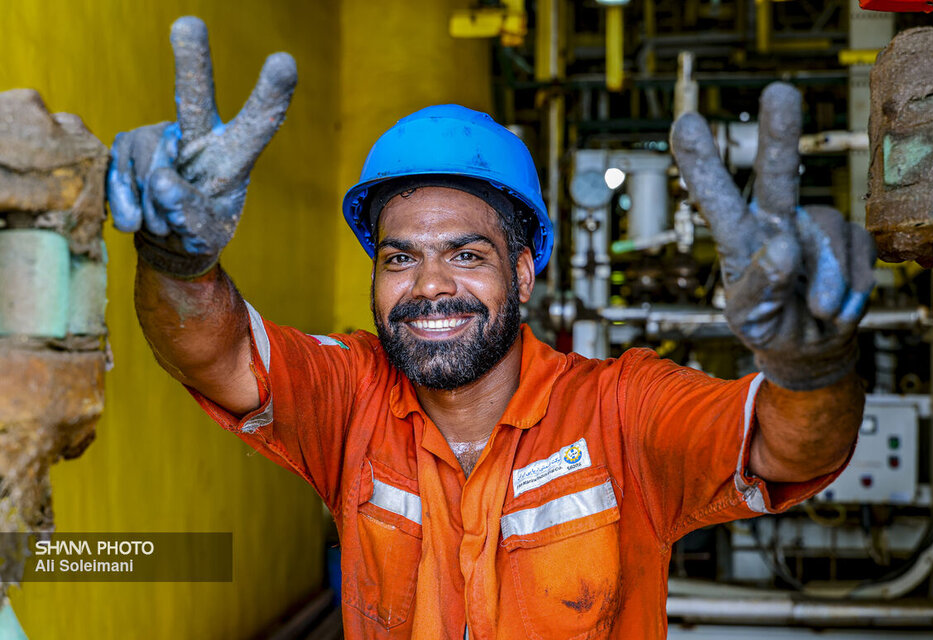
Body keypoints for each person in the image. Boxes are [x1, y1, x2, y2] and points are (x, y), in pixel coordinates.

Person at [109, 16, 876, 640]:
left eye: (466, 254)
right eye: (399, 257)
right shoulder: (351, 401)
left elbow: (788, 448)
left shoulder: (622, 412)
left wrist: (811, 366)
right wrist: (178, 261)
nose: (430, 285)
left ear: (523, 272)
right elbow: (214, 351)